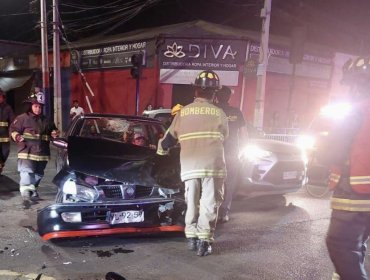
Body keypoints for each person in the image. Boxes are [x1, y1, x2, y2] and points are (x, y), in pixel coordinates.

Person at [157, 70, 228, 257]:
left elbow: (168, 139)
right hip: (213, 165)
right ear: (215, 93)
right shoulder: (220, 113)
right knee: (209, 203)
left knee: (192, 201)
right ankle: (204, 241)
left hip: (190, 166)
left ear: (195, 91)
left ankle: (191, 237)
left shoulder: (183, 112)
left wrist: (160, 152)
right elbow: (225, 137)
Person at [316, 56, 370, 280]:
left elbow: (331, 153)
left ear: (358, 84)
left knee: (340, 244)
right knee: (357, 244)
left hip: (354, 193)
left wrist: (321, 147)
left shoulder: (356, 110)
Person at [9, 93, 58, 207]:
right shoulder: (22, 118)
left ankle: (32, 190)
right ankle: (26, 193)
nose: (38, 109)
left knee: (38, 174)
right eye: (36, 106)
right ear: (30, 106)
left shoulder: (47, 120)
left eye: (40, 107)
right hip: (26, 151)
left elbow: (53, 130)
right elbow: (13, 129)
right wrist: (17, 136)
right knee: (26, 172)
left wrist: (54, 133)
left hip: (42, 153)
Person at [215, 86, 246, 223]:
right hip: (232, 154)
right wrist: (242, 151)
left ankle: (212, 211)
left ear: (216, 96)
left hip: (213, 154)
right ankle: (224, 212)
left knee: (213, 182)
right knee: (230, 182)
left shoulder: (211, 110)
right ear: (229, 97)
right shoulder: (236, 112)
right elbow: (244, 134)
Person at [0, 87, 15, 175]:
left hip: (4, 136)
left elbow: (12, 121)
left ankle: (1, 165)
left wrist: (13, 130)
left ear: (3, 97)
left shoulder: (7, 108)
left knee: (5, 152)